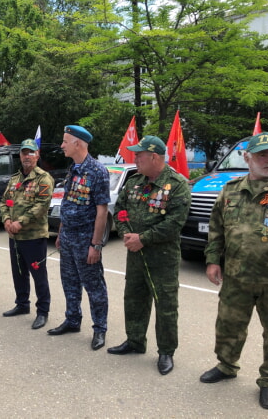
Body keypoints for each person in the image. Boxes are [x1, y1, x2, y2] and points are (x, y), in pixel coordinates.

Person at [199, 132, 268, 410]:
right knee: (229, 326)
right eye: (263, 154)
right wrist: (213, 260)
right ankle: (226, 366)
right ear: (247, 158)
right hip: (237, 276)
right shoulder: (231, 190)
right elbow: (216, 228)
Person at [108, 135, 190, 376]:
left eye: (139, 155)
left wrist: (143, 238)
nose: (135, 159)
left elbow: (175, 223)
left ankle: (166, 351)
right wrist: (126, 234)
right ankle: (135, 341)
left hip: (162, 258)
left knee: (166, 305)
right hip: (135, 255)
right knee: (134, 299)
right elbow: (120, 210)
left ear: (154, 157)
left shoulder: (177, 184)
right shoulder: (134, 181)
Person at [48, 125, 110, 350]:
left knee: (94, 287)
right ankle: (73, 320)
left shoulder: (97, 171)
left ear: (77, 143)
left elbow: (102, 211)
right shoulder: (73, 169)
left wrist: (96, 244)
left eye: (65, 141)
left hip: (86, 240)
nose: (62, 145)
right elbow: (68, 202)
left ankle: (100, 328)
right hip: (68, 237)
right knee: (70, 282)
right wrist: (61, 232)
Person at [0, 139, 54, 329]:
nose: (27, 156)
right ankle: (22, 304)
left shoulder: (43, 178)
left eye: (30, 152)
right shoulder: (14, 179)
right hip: (15, 236)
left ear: (37, 155)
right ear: (20, 155)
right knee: (19, 273)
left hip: (34, 237)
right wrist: (6, 220)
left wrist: (20, 222)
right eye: (24, 153)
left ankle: (42, 311)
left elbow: (41, 206)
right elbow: (4, 201)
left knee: (39, 276)